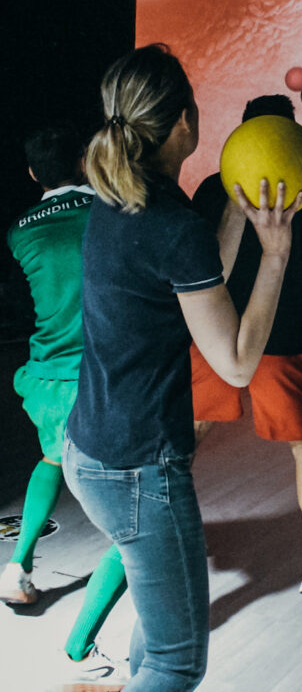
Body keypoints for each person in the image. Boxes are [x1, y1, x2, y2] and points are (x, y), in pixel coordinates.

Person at [62, 43, 299, 691]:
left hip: (92, 450)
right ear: (186, 122)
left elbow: (200, 277)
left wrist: (233, 215)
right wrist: (277, 252)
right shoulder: (168, 222)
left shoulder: (119, 200)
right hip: (138, 468)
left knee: (159, 624)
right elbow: (238, 361)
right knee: (177, 661)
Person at [190, 94, 302, 603]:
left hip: (213, 340)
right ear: (292, 135)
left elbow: (195, 276)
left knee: (180, 448)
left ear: (244, 132)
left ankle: (161, 548)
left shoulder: (213, 187)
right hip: (281, 341)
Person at [2, 123, 129, 681]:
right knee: (134, 520)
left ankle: (17, 565)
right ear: (84, 162)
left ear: (33, 174)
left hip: (44, 376)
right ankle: (79, 647)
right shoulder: (110, 211)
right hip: (97, 378)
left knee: (51, 460)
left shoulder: (17, 230)